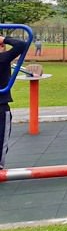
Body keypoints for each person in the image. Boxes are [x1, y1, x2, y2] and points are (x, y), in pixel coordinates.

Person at [0, 35, 28, 170]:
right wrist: (4, 39)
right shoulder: (2, 59)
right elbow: (22, 45)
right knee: (1, 137)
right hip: (1, 105)